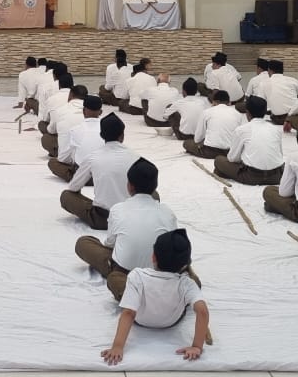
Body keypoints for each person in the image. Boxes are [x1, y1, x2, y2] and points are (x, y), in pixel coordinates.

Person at [100, 229, 210, 365]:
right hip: (171, 321)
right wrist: (197, 346)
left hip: (140, 319)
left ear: (153, 257)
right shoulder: (186, 283)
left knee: (115, 278)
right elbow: (202, 311)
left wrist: (117, 346)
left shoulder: (137, 275)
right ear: (185, 265)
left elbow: (129, 313)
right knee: (193, 286)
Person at [74, 158, 177, 300]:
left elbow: (110, 244)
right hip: (160, 272)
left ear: (129, 186)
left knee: (84, 243)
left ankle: (135, 297)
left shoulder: (118, 209)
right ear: (155, 186)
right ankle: (169, 294)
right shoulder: (168, 212)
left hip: (124, 270)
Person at [62, 114, 142, 230]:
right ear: (122, 135)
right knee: (153, 195)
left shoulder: (93, 157)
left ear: (102, 136)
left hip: (103, 218)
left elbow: (73, 187)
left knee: (66, 196)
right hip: (131, 216)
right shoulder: (136, 157)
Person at [214, 96, 285, 185]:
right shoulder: (275, 129)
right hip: (276, 176)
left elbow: (232, 158)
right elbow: (280, 155)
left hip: (252, 176)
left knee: (219, 160)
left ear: (247, 113)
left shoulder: (242, 130)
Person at [52, 95, 104, 182]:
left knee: (53, 163)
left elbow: (63, 158)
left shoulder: (75, 130)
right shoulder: (108, 129)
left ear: (83, 111)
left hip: (83, 177)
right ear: (101, 112)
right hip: (103, 175)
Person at [182, 91, 243, 159]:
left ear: (213, 102)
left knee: (187, 143)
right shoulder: (238, 114)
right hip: (229, 152)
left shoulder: (207, 112)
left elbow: (197, 139)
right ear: (229, 102)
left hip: (210, 151)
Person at [44, 85, 87, 158]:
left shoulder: (60, 110)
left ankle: (56, 152)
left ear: (71, 95)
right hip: (87, 154)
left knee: (46, 138)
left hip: (67, 158)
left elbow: (51, 130)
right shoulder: (90, 111)